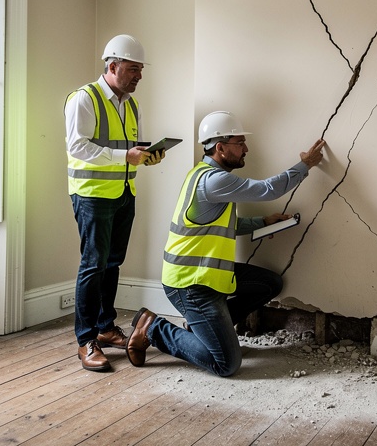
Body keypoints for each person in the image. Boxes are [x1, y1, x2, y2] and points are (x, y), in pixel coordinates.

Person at [124, 110, 326, 376]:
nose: (246, 149)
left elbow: (220, 225)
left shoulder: (202, 174)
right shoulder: (214, 180)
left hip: (208, 276)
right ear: (220, 147)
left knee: (270, 284)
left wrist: (262, 222)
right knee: (226, 364)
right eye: (240, 143)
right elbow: (268, 189)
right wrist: (306, 165)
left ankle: (202, 328)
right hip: (190, 284)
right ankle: (153, 327)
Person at [65, 34, 165, 372]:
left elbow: (128, 151)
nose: (139, 76)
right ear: (112, 66)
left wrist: (146, 157)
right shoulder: (85, 98)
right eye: (134, 69)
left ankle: (106, 328)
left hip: (123, 193)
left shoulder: (130, 103)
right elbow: (78, 147)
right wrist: (126, 155)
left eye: (140, 70)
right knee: (93, 265)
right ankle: (85, 339)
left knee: (112, 263)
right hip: (92, 195)